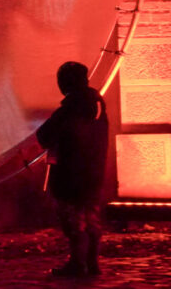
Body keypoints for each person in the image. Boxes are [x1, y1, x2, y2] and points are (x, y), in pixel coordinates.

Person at [36, 61, 109, 277]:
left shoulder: (71, 108)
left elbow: (45, 135)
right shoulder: (97, 106)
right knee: (91, 219)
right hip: (93, 172)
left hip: (70, 175)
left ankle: (78, 264)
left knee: (74, 222)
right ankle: (92, 263)